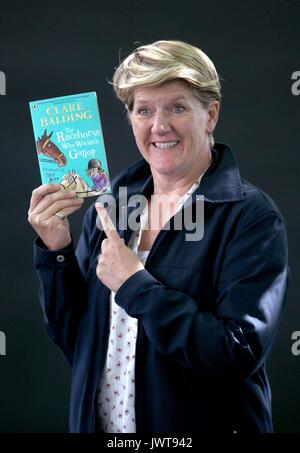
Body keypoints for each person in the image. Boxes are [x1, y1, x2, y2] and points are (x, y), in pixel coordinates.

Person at [28, 40, 289, 433]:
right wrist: (56, 250)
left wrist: (135, 284)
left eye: (177, 108)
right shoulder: (113, 204)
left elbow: (236, 353)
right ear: (131, 118)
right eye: (144, 110)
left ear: (211, 115)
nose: (159, 125)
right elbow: (78, 341)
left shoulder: (250, 216)